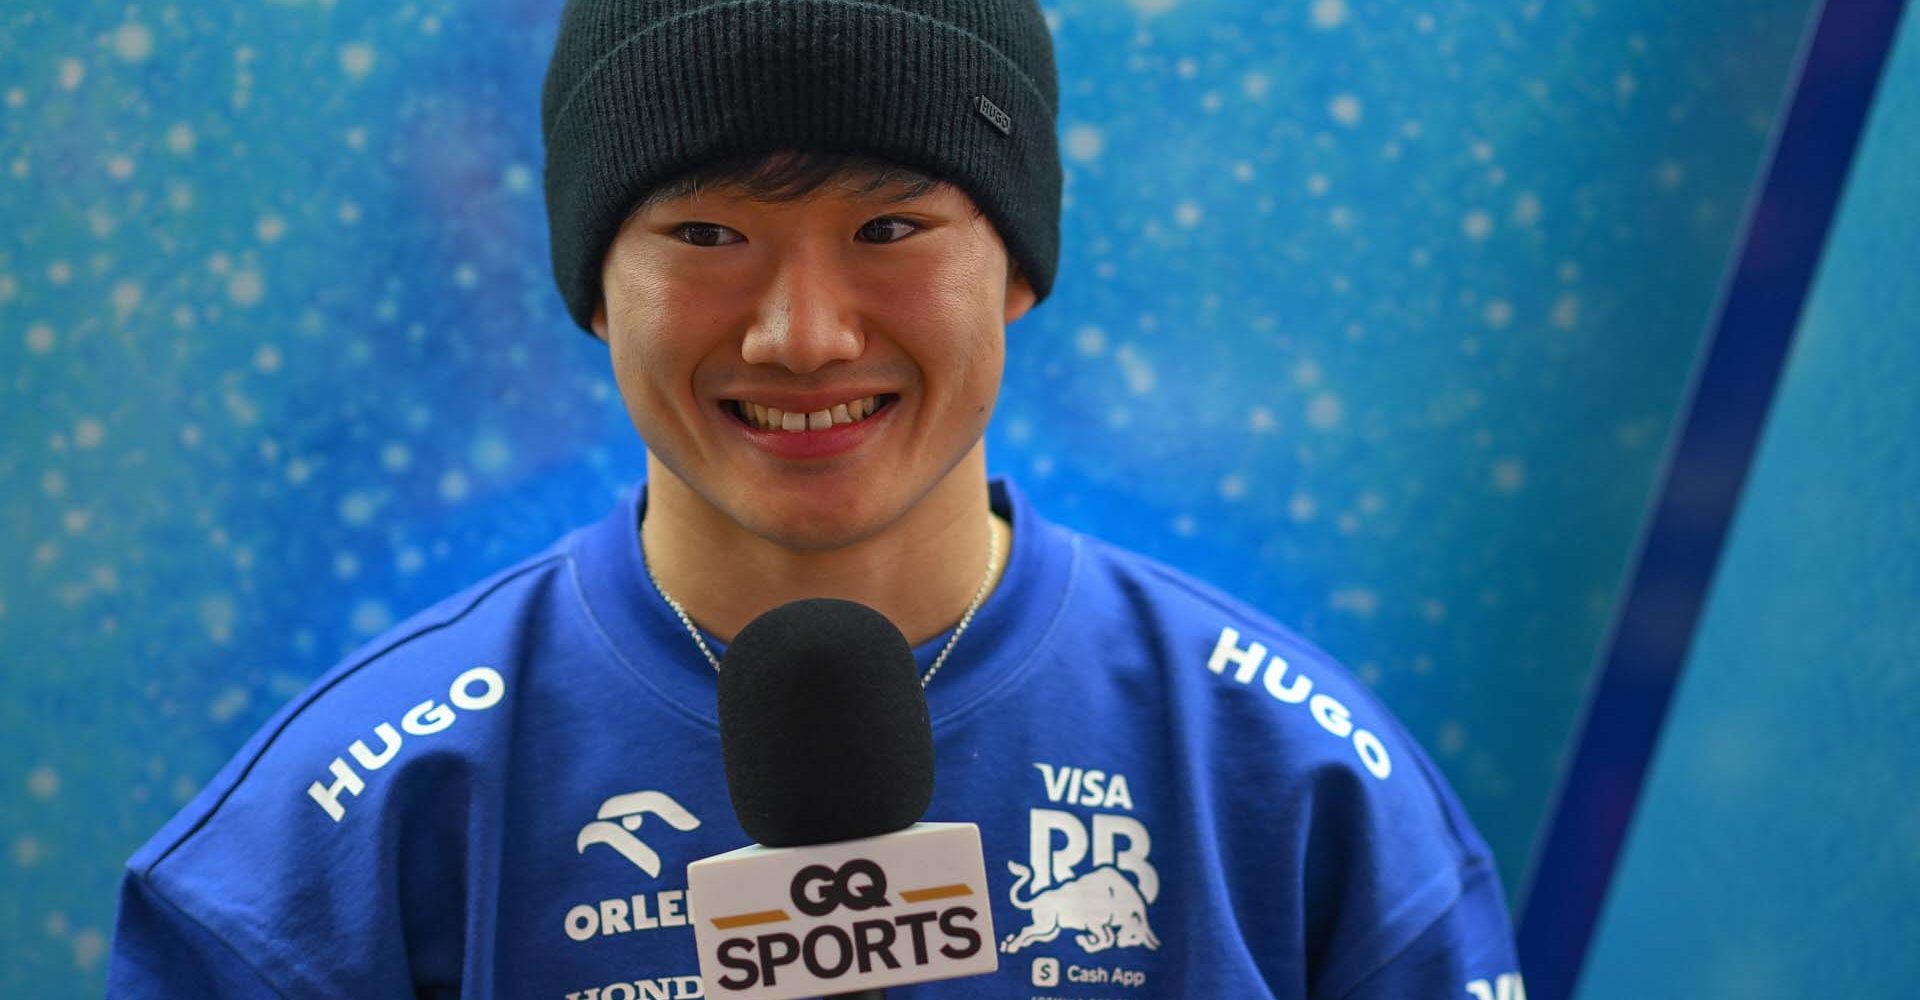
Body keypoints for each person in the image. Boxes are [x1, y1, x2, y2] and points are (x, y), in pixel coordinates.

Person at [107, 1, 1524, 996]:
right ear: (595, 285)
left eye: (890, 228)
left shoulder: (1300, 789)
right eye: (708, 233)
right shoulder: (347, 833)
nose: (805, 334)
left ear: (1020, 264)